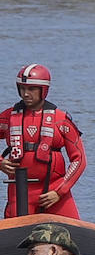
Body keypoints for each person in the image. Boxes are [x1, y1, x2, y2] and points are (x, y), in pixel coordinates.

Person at [0, 64, 86, 219]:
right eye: (22, 88)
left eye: (32, 89)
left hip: (55, 192)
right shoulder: (8, 116)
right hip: (19, 191)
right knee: (16, 236)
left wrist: (59, 191)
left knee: (72, 236)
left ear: (43, 90)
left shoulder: (61, 120)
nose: (26, 94)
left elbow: (79, 159)